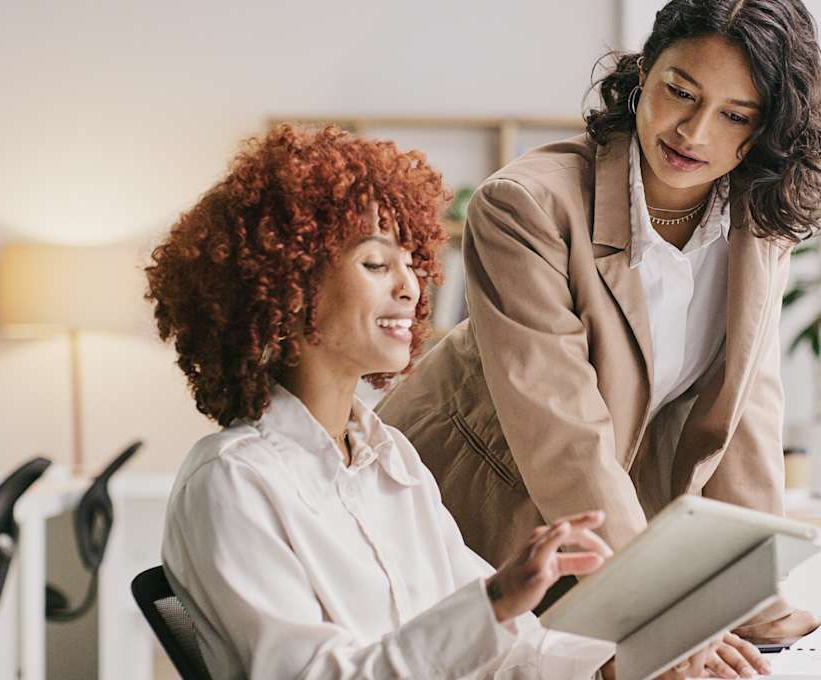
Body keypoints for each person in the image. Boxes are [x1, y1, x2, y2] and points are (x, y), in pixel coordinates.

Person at [377, 0, 821, 648]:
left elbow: (744, 415)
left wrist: (756, 601)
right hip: (467, 510)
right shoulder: (527, 206)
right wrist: (664, 612)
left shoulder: (756, 223)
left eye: (735, 115)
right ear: (644, 71)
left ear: (766, 129)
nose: (694, 132)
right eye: (681, 92)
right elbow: (563, 430)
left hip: (592, 525)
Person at [145, 125, 625, 679]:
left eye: (413, 261)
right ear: (286, 285)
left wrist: (647, 656)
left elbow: (510, 652)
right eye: (376, 264)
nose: (412, 286)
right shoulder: (233, 479)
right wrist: (494, 604)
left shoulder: (390, 457)